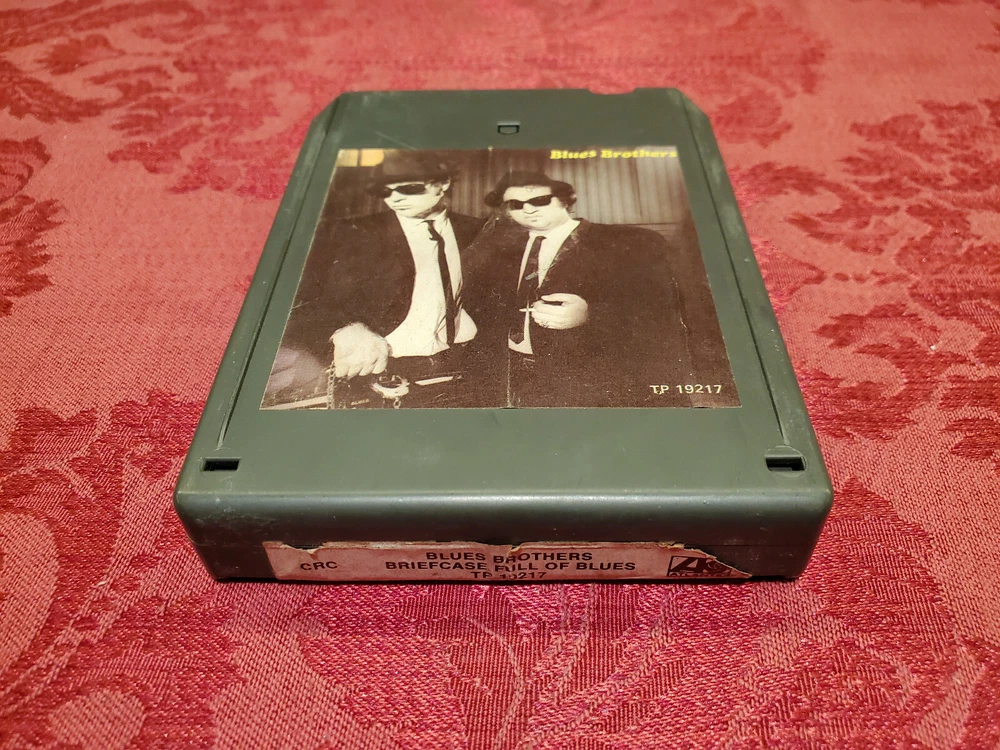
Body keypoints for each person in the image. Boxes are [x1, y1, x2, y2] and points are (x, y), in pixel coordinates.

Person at [268, 151, 484, 408]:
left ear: (443, 183)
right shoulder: (348, 232)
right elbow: (295, 300)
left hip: (459, 365)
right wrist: (343, 328)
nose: (395, 198)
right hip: (377, 370)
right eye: (385, 191)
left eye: (409, 188)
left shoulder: (477, 229)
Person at [466, 170, 691, 408]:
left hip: (587, 383)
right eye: (515, 204)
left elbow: (660, 312)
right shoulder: (498, 252)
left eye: (540, 200)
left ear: (565, 200)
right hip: (513, 380)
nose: (528, 209)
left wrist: (591, 315)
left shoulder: (628, 242)